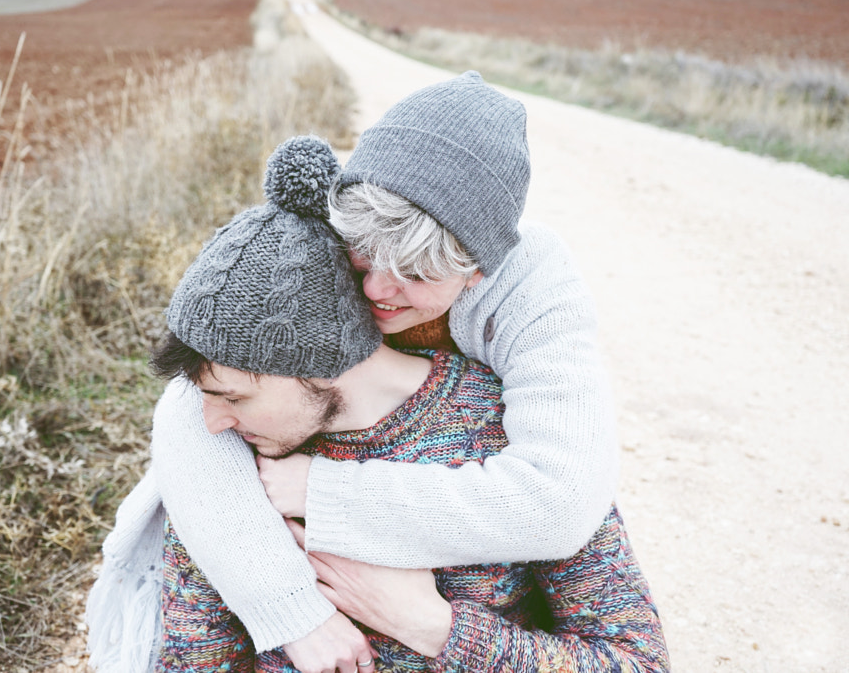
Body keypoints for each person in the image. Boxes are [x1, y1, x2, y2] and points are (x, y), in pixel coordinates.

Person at [87, 72, 620, 672]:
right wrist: (293, 611)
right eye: (363, 254)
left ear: (478, 275)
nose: (376, 289)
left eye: (415, 274)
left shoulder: (527, 309)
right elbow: (200, 396)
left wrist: (421, 613)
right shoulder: (321, 246)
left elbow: (564, 502)